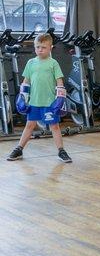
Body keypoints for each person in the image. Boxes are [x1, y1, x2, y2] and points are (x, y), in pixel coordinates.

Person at [6, 33, 72, 163]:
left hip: (49, 103)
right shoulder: (31, 63)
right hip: (34, 102)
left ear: (50, 48)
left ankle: (61, 151)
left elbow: (59, 82)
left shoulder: (53, 63)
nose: (40, 49)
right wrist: (22, 98)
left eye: (43, 47)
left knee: (55, 126)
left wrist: (60, 98)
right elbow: (26, 82)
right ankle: (19, 149)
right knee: (29, 125)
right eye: (37, 47)